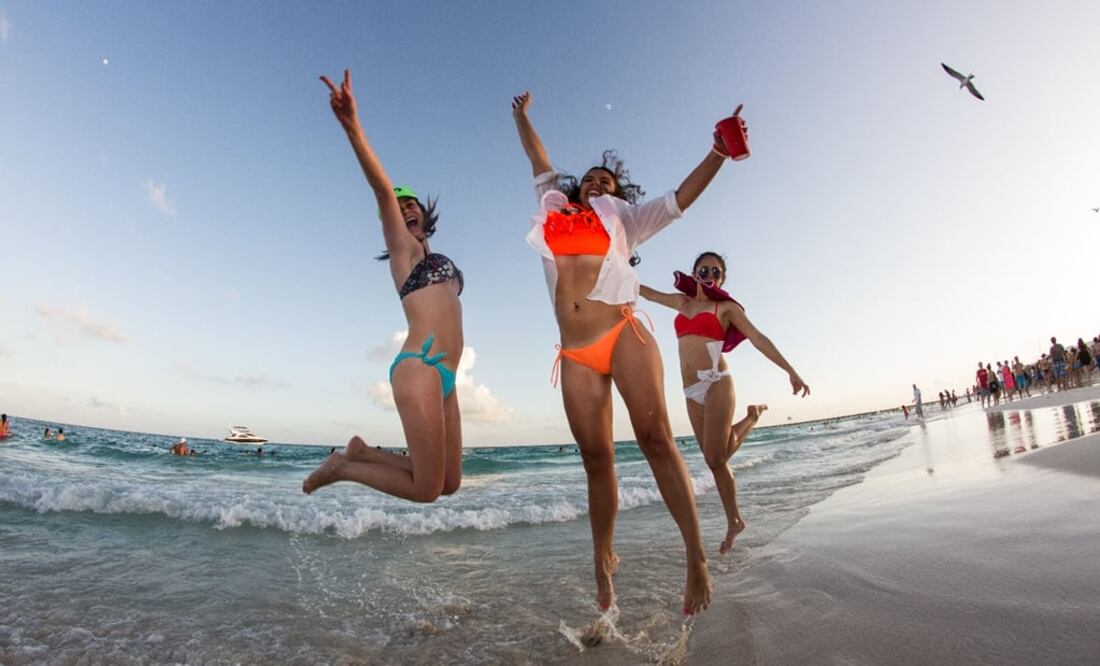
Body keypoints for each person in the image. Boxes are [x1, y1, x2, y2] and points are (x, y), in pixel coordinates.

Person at [512, 90, 740, 614]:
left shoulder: (625, 219)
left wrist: (719, 153)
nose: (595, 184)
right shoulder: (553, 207)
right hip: (575, 353)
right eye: (590, 180)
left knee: (656, 438)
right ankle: (603, 564)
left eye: (606, 182)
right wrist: (523, 116)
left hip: (622, 333)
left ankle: (696, 559)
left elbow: (679, 199)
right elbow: (537, 158)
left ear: (616, 193)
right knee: (596, 460)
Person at [303, 70, 464, 503]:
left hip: (447, 375)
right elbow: (379, 187)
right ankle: (345, 467)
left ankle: (361, 452)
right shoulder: (403, 251)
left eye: (410, 202)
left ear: (424, 214)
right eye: (398, 207)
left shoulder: (434, 256)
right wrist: (353, 127)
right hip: (420, 365)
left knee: (450, 483)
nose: (405, 208)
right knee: (426, 490)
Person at [640, 251, 809, 553]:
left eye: (716, 272)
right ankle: (736, 521)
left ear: (722, 279)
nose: (709, 275)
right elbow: (647, 293)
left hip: (717, 381)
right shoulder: (683, 303)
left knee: (714, 458)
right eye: (703, 269)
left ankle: (751, 419)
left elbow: (758, 338)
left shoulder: (725, 307)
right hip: (690, 390)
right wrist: (614, 272)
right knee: (715, 459)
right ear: (695, 273)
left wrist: (791, 371)